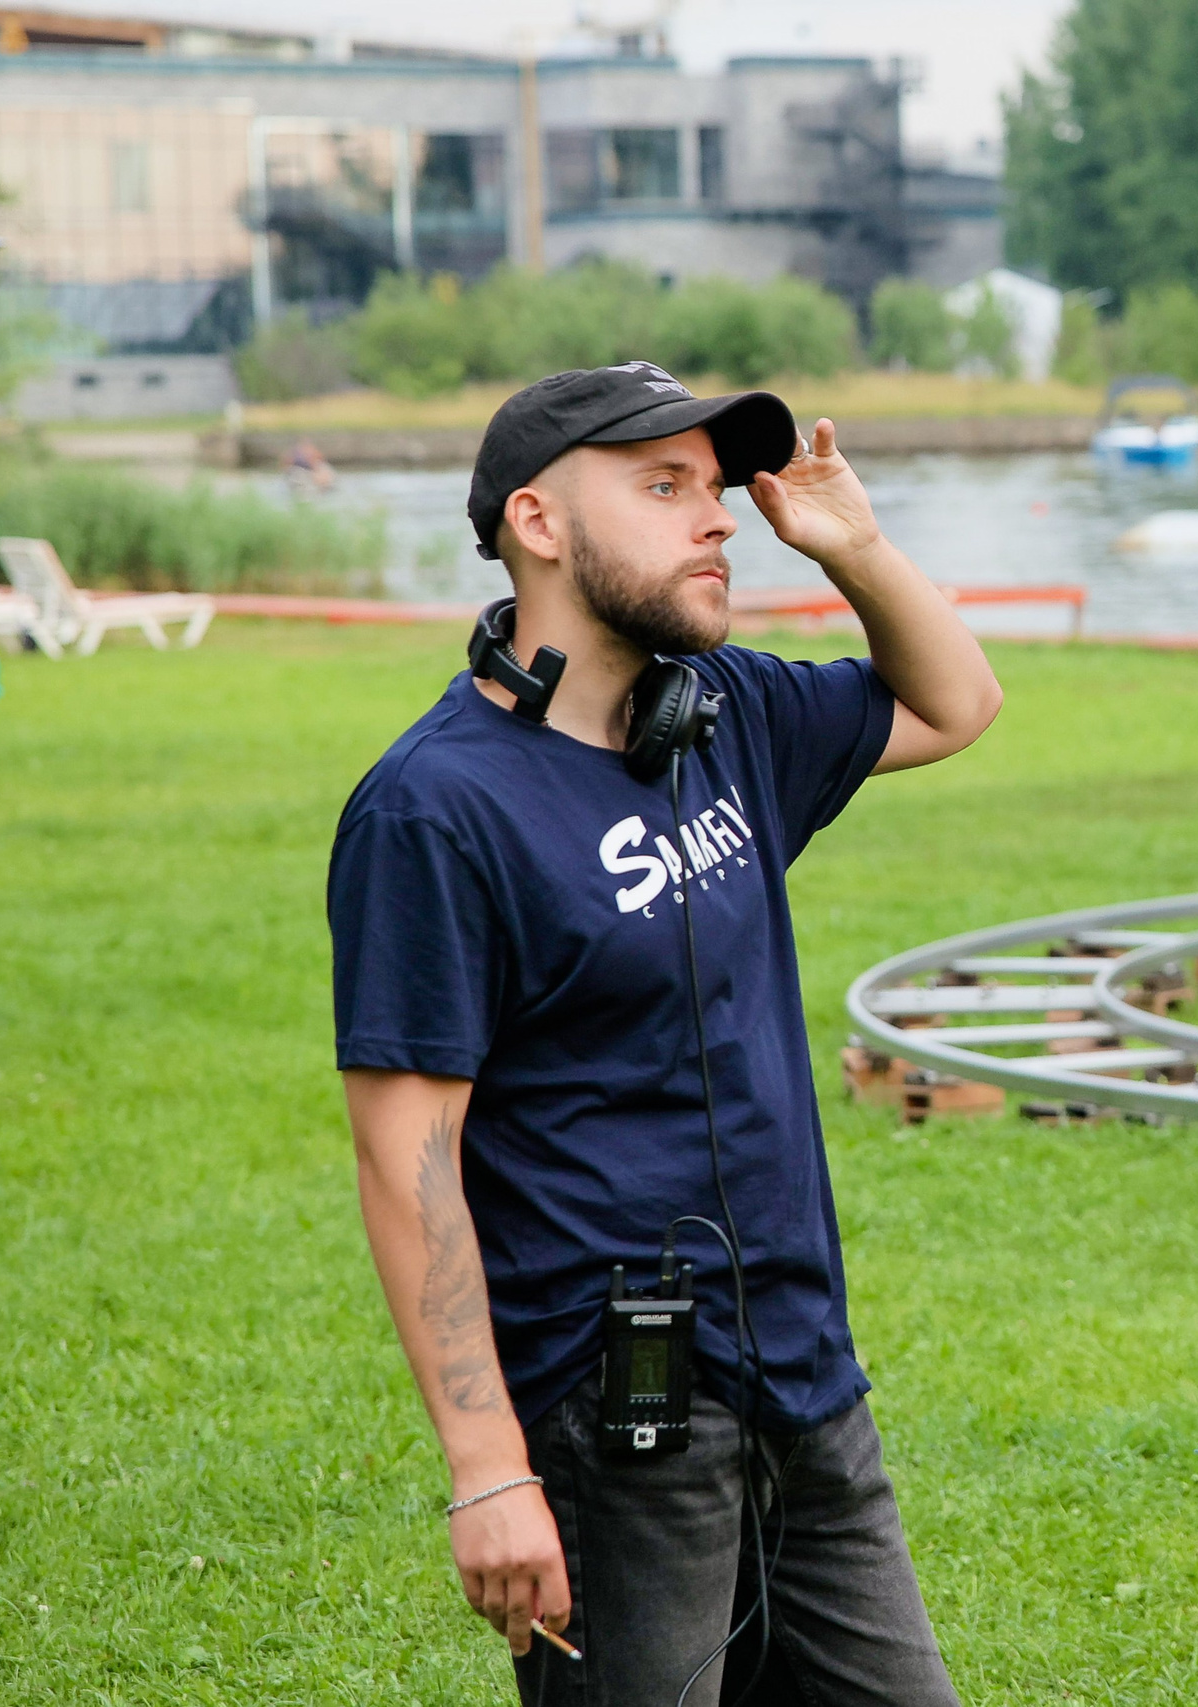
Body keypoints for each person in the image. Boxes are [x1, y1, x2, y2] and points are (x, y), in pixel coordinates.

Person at [329, 363, 1000, 1706]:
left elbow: (954, 704)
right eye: (661, 486)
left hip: (804, 1367)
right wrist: (488, 1468)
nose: (717, 518)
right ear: (537, 522)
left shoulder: (723, 717)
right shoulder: (432, 811)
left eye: (713, 486)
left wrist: (855, 548)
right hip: (616, 1414)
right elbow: (409, 1160)